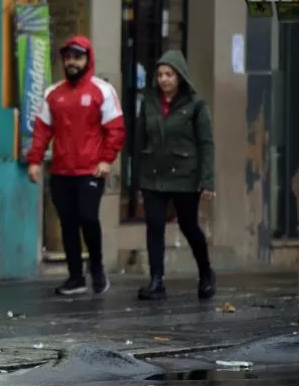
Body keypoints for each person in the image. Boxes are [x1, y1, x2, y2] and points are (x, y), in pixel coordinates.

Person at [26, 36, 125, 296]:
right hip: (60, 171)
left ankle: (98, 268)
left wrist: (106, 160)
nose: (72, 62)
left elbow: (115, 129)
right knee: (68, 223)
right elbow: (41, 130)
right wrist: (35, 161)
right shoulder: (53, 93)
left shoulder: (101, 91)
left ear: (87, 59)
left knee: (88, 218)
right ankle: (75, 277)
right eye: (68, 57)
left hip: (90, 170)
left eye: (77, 57)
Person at [135, 50, 216, 301]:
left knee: (189, 226)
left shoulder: (196, 105)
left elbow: (206, 144)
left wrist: (207, 180)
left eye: (169, 74)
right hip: (153, 174)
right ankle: (156, 281)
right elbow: (139, 138)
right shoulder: (148, 101)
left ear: (180, 77)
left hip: (184, 175)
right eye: (159, 74)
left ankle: (206, 272)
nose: (164, 79)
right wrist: (136, 173)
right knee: (155, 225)